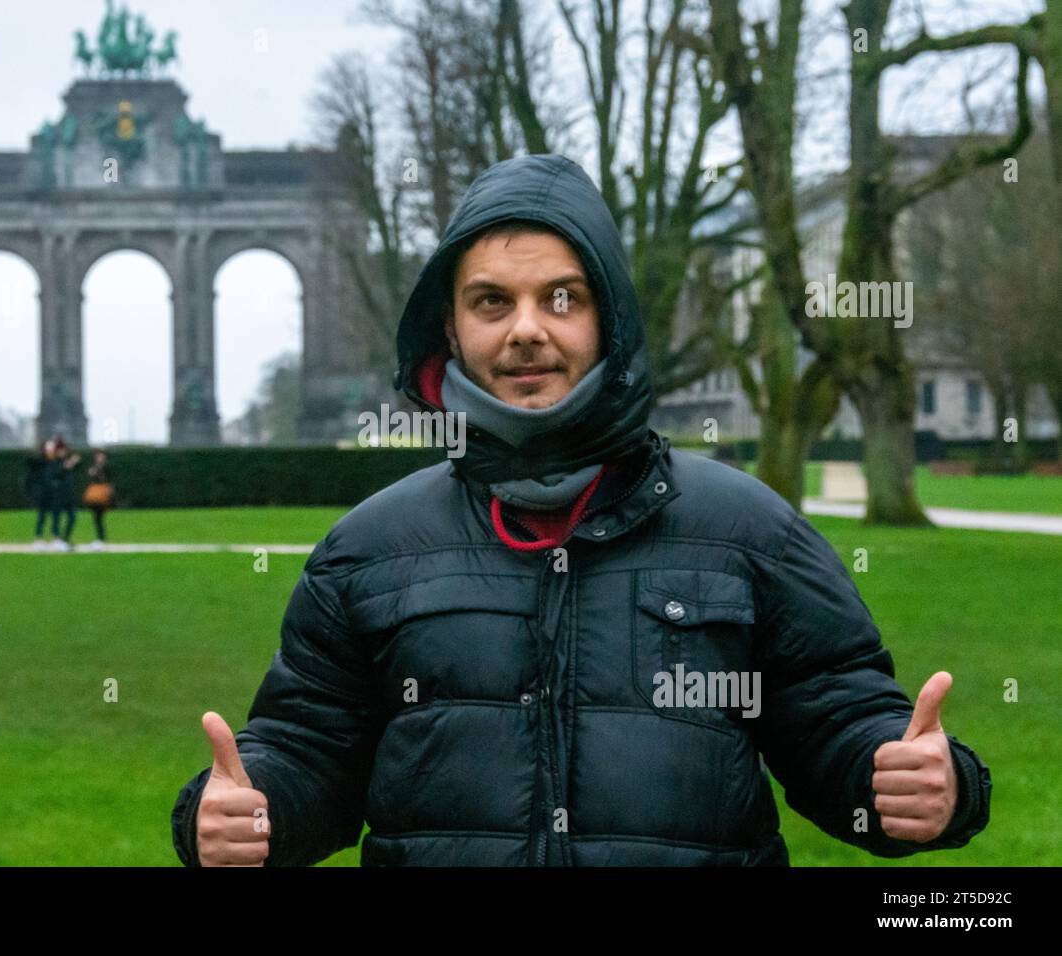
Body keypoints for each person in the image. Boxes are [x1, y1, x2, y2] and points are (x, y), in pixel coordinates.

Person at [172, 154, 990, 867]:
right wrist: (252, 810)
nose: (527, 330)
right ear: (450, 330)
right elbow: (310, 752)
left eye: (561, 297)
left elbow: (839, 723)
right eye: (492, 302)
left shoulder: (749, 530)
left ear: (608, 320)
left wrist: (920, 783)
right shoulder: (368, 550)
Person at [47, 436, 81, 552]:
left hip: (68, 495)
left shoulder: (66, 462)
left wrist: (73, 463)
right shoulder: (54, 462)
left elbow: (77, 468)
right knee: (56, 518)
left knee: (72, 516)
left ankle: (65, 538)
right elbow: (55, 474)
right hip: (57, 495)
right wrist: (66, 466)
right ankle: (55, 539)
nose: (63, 452)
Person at [25, 438, 59, 550]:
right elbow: (30, 461)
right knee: (42, 516)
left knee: (55, 516)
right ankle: (39, 538)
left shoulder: (55, 462)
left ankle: (55, 538)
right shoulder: (40, 462)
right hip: (43, 494)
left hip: (53, 494)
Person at [82, 449, 114, 551]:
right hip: (96, 495)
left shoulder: (105, 467)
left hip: (101, 494)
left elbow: (107, 480)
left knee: (99, 518)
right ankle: (100, 539)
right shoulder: (95, 467)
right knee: (97, 518)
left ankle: (101, 539)